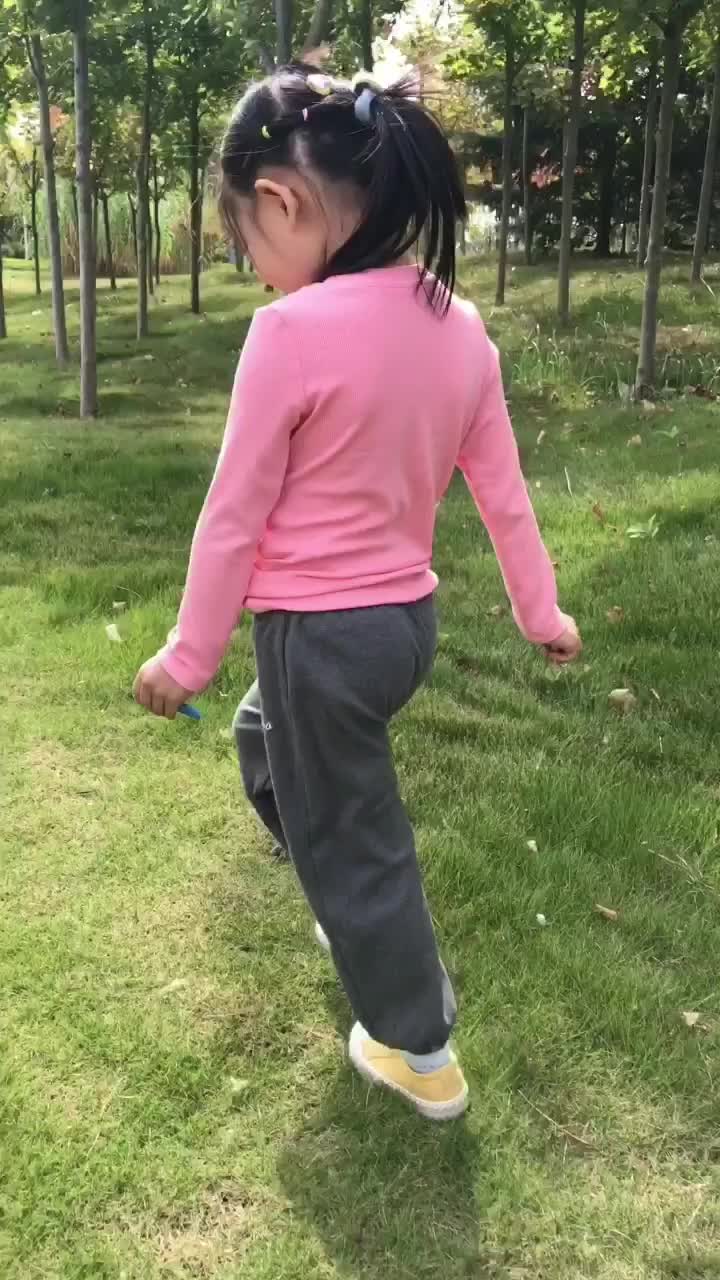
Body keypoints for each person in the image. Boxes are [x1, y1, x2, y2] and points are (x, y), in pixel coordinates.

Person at [133, 65, 582, 1122]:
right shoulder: (461, 327)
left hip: (322, 644)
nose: (252, 269)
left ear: (283, 202)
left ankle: (418, 1047)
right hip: (403, 632)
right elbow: (505, 495)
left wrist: (187, 655)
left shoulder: (290, 335)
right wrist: (542, 614)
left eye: (245, 241)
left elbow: (233, 516)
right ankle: (345, 895)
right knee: (265, 738)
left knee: (359, 838)